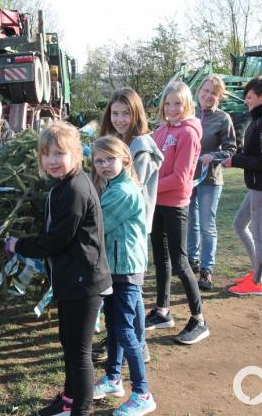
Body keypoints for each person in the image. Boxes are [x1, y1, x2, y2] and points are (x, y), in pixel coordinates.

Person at [5, 122, 112, 416]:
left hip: (84, 281)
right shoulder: (64, 185)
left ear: (76, 154)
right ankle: (68, 400)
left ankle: (82, 409)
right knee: (68, 343)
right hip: (70, 280)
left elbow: (57, 240)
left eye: (59, 153)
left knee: (79, 354)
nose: (52, 160)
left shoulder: (76, 188)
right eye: (46, 154)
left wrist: (18, 245)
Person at [94, 87, 164, 364]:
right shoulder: (116, 141)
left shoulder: (140, 147)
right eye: (115, 113)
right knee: (127, 296)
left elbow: (134, 186)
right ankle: (134, 343)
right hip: (119, 226)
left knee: (129, 292)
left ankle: (134, 346)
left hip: (130, 228)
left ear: (137, 114)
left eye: (126, 113)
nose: (120, 119)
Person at [90, 136, 157, 416]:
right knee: (115, 326)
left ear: (125, 160)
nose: (104, 165)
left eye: (110, 159)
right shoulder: (112, 185)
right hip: (115, 268)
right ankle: (113, 378)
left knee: (124, 330)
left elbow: (96, 224)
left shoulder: (124, 192)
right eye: (98, 160)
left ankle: (143, 393)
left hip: (126, 270)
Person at [148, 81, 210, 345]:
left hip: (175, 205)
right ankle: (163, 311)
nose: (172, 108)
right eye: (168, 103)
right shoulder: (161, 131)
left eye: (178, 103)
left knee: (181, 262)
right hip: (156, 204)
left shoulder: (188, 133)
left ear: (186, 104)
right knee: (161, 260)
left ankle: (199, 319)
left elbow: (181, 177)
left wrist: (147, 187)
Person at [223, 76, 262, 296]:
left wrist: (235, 161)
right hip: (259, 186)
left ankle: (258, 283)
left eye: (249, 97)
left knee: (259, 233)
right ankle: (258, 271)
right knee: (239, 224)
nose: (246, 101)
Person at [188, 76, 237, 290]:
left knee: (207, 225)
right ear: (199, 91)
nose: (208, 96)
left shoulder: (223, 119)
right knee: (191, 222)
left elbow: (231, 149)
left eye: (213, 93)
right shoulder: (189, 114)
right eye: (205, 91)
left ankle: (207, 269)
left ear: (219, 97)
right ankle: (192, 261)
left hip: (210, 180)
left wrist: (215, 155)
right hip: (187, 178)